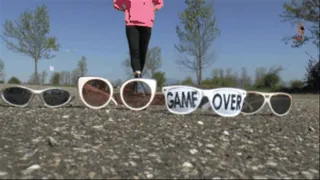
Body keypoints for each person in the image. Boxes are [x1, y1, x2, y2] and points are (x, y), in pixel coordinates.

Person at [113, 0, 164, 81]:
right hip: (131, 24)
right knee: (134, 50)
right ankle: (137, 76)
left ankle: (139, 73)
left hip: (147, 23)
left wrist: (151, 10)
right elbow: (116, 4)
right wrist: (126, 10)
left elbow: (160, 3)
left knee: (143, 51)